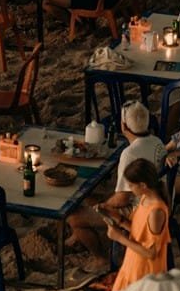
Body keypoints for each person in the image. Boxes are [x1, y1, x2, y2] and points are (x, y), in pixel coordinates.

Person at [67, 100, 165, 259]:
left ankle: (100, 259)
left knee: (74, 217)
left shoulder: (130, 153)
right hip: (158, 203)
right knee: (90, 199)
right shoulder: (157, 141)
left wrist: (103, 206)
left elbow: (121, 199)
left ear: (124, 126)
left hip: (139, 212)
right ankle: (79, 236)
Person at [105, 159, 170, 291]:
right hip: (133, 264)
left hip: (145, 272)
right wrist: (119, 220)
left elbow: (151, 253)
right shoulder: (145, 198)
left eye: (131, 185)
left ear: (143, 185)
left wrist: (119, 238)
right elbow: (141, 232)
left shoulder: (156, 211)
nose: (129, 188)